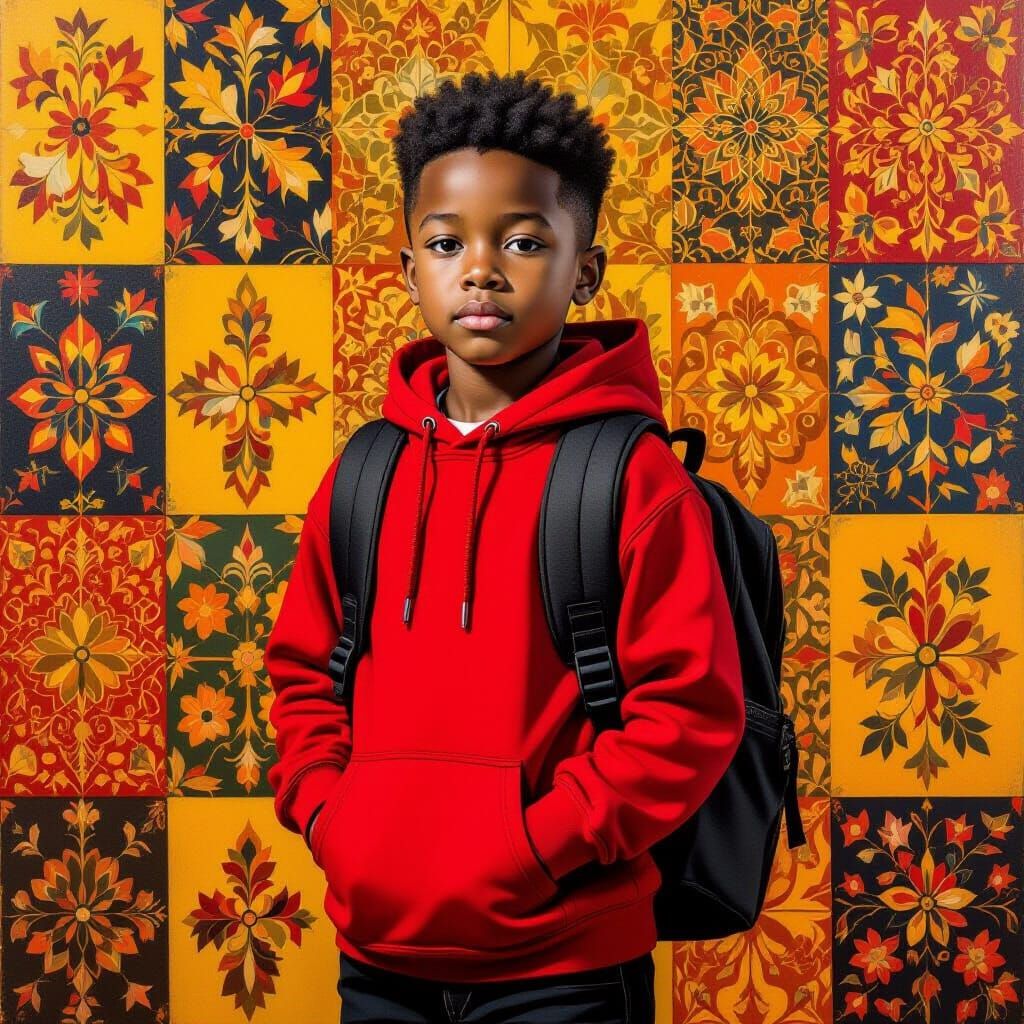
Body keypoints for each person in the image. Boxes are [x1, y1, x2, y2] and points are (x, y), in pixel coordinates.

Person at [266, 70, 746, 1023]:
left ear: (587, 268)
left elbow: (687, 716)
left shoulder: (632, 479)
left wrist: (542, 845)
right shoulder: (365, 472)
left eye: (524, 241)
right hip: (378, 958)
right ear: (410, 269)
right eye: (447, 244)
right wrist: (334, 819)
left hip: (565, 965)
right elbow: (302, 677)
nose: (481, 269)